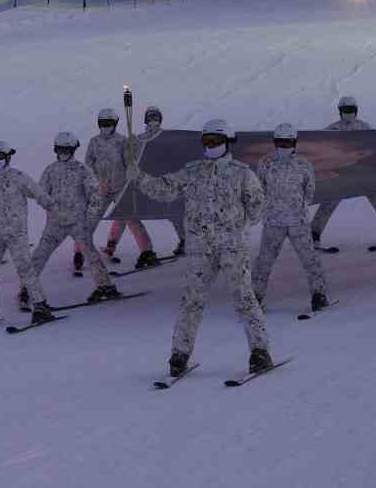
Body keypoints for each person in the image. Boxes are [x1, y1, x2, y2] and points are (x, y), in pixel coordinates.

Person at [128, 119, 272, 378]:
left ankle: (260, 351)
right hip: (200, 250)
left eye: (216, 141)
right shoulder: (192, 171)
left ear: (227, 142)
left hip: (232, 249)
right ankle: (179, 355)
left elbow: (257, 207)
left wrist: (236, 228)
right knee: (191, 302)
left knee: (244, 299)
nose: (211, 145)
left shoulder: (242, 173)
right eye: (207, 141)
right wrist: (138, 178)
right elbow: (164, 189)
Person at [0, 142, 57, 326]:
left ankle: (39, 305)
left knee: (25, 268)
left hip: (16, 233)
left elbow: (38, 193)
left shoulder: (18, 177)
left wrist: (53, 207)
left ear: (7, 158)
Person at [29, 131, 115, 303]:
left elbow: (95, 196)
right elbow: (41, 193)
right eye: (61, 149)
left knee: (90, 254)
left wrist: (89, 221)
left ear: (74, 150)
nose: (64, 153)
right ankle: (27, 287)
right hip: (55, 224)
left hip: (78, 223)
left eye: (68, 149)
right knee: (40, 254)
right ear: (56, 149)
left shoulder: (82, 170)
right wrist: (48, 205)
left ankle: (105, 286)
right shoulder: (51, 170)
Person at [252, 124, 330, 312]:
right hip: (274, 223)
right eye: (280, 142)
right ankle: (255, 297)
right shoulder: (265, 163)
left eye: (287, 142)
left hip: (297, 223)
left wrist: (296, 208)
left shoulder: (303, 164)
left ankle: (318, 295)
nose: (284, 146)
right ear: (274, 142)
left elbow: (310, 192)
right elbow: (259, 189)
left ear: (294, 142)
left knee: (309, 259)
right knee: (264, 261)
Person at [311, 97, 376, 246]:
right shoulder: (332, 129)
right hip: (341, 174)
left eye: (351, 110)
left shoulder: (364, 127)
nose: (348, 113)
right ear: (340, 111)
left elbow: (374, 148)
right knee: (330, 201)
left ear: (356, 111)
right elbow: (323, 150)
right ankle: (314, 233)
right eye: (346, 110)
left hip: (361, 173)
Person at [87, 107, 154, 267]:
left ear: (115, 124)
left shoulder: (122, 141)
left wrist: (133, 149)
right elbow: (88, 165)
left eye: (109, 123)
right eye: (103, 123)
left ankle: (147, 251)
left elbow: (130, 162)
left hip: (120, 189)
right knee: (89, 220)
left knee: (130, 219)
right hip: (101, 189)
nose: (106, 126)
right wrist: (91, 184)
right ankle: (80, 252)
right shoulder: (94, 142)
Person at [127, 104, 186, 258]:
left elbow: (176, 156)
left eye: (156, 117)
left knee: (176, 214)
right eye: (150, 117)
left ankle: (185, 240)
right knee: (128, 215)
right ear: (146, 120)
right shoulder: (139, 139)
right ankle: (145, 250)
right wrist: (130, 147)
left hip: (163, 182)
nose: (153, 120)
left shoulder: (167, 137)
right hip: (144, 183)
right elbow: (130, 159)